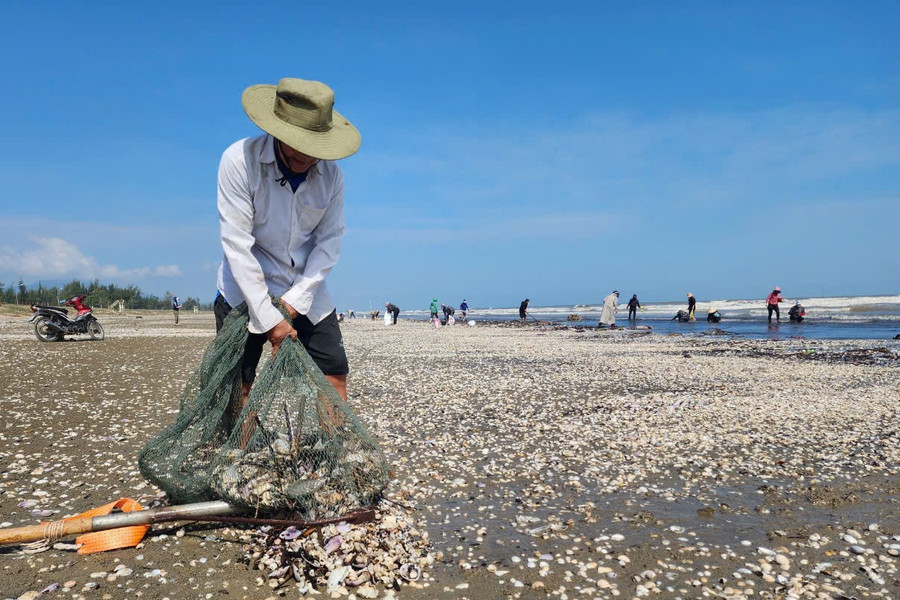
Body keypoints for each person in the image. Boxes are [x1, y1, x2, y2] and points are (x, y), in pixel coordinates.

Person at [213, 78, 360, 411]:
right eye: (299, 145)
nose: (308, 157)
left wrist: (295, 302)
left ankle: (332, 452)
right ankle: (238, 454)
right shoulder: (238, 161)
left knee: (333, 375)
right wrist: (268, 317)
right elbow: (237, 244)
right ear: (277, 131)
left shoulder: (332, 176)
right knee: (241, 382)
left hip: (305, 287)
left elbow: (329, 241)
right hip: (243, 286)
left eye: (316, 148)